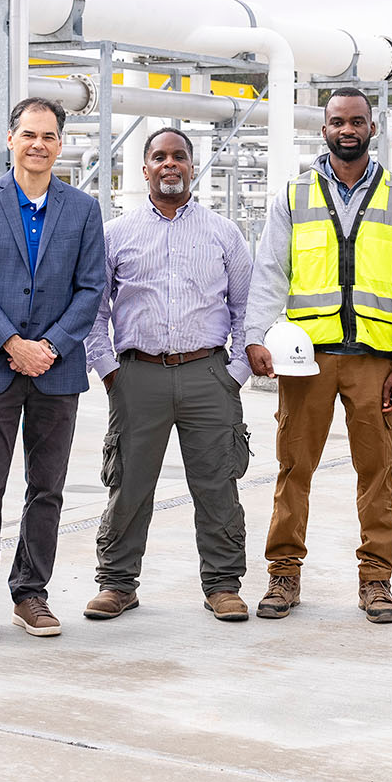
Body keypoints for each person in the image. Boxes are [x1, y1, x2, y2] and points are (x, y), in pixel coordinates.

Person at [244, 88, 392, 624]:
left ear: (372, 127)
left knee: (377, 471)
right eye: (337, 122)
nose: (347, 129)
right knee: (293, 467)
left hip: (374, 358)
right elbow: (270, 270)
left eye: (357, 121)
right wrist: (257, 334)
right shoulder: (295, 195)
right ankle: (283, 575)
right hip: (307, 359)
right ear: (323, 129)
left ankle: (376, 580)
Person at [82, 128, 254, 623]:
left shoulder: (224, 233)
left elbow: (247, 309)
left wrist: (235, 371)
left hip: (209, 375)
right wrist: (111, 372)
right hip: (138, 376)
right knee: (129, 483)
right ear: (145, 169)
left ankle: (222, 584)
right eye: (160, 157)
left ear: (192, 165)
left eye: (179, 156)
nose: (170, 164)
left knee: (217, 482)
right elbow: (94, 311)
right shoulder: (116, 234)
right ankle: (116, 582)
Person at [0, 96, 106, 641]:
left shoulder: (83, 209)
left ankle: (31, 592)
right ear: (10, 139)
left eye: (49, 137)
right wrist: (13, 343)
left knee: (47, 487)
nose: (38, 145)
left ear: (61, 145)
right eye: (28, 135)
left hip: (58, 372)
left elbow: (92, 289)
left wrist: (52, 346)